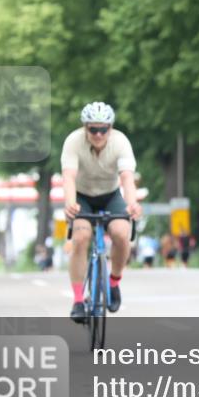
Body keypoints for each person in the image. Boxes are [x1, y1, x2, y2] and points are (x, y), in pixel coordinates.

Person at [61, 101, 142, 322]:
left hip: (110, 195)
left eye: (103, 129)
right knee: (80, 238)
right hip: (82, 196)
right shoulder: (73, 141)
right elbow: (68, 176)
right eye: (93, 129)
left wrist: (132, 204)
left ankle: (114, 282)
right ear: (85, 127)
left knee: (121, 233)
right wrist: (70, 204)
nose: (98, 134)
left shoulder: (121, 142)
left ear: (110, 128)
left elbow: (127, 178)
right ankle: (78, 300)